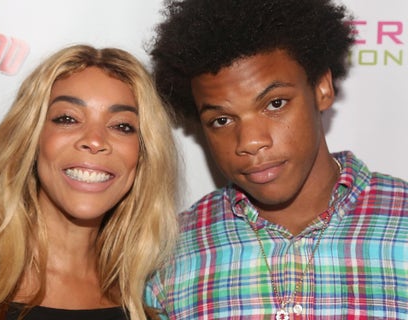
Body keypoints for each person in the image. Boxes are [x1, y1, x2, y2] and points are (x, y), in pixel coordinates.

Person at [144, 0, 408, 319]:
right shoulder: (169, 255)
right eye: (222, 120)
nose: (251, 142)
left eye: (275, 103)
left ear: (322, 87)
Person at [0, 44, 179, 320]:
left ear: (142, 154)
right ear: (32, 139)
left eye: (122, 126)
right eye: (67, 118)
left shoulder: (145, 298)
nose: (94, 140)